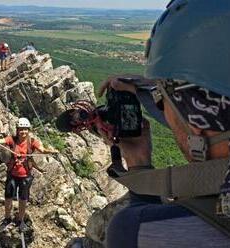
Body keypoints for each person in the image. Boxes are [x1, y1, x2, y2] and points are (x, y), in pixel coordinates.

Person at [56, 0, 230, 246]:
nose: (160, 108)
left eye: (161, 99)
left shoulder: (137, 232)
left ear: (198, 122)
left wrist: (139, 167)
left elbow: (142, 227)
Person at [0, 117, 58, 231]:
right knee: (8, 198)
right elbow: (1, 141)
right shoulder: (12, 139)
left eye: (25, 129)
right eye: (21, 129)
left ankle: (20, 220)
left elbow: (42, 150)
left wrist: (51, 151)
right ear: (17, 130)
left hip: (25, 176)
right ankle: (7, 218)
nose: (23, 132)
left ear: (28, 130)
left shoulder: (32, 142)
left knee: (23, 200)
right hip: (12, 174)